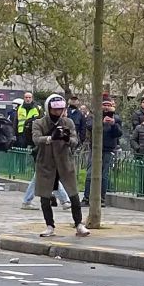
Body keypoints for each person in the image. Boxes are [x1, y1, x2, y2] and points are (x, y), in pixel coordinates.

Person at [31, 94, 89, 237]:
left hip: (64, 162)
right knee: (45, 197)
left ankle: (79, 224)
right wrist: (51, 138)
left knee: (74, 195)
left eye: (61, 109)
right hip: (46, 163)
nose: (58, 113)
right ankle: (49, 225)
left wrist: (67, 138)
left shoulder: (68, 122)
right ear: (48, 108)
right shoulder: (39, 123)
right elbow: (36, 139)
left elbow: (76, 140)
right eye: (55, 110)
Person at [82, 97, 123, 207]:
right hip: (95, 149)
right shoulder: (94, 116)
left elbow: (118, 134)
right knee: (90, 174)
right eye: (104, 104)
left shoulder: (117, 118)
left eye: (108, 105)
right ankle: (86, 198)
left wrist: (113, 124)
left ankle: (102, 199)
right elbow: (89, 126)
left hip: (108, 149)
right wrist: (101, 122)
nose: (106, 107)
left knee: (104, 175)